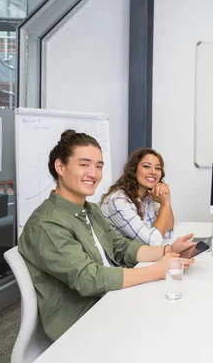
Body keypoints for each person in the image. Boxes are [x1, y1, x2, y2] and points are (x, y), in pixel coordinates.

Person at [18, 130, 196, 341]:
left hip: (111, 299)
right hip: (84, 322)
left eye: (99, 166)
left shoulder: (90, 210)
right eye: (84, 165)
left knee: (185, 312)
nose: (93, 174)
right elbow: (89, 279)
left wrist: (167, 250)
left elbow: (120, 247)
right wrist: (157, 270)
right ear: (60, 167)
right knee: (172, 327)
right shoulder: (46, 224)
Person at [101, 148, 174, 245]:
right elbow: (153, 241)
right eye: (146, 166)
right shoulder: (119, 200)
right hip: (122, 259)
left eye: (157, 168)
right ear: (134, 170)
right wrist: (165, 203)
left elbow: (167, 232)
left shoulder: (150, 195)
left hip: (143, 256)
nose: (153, 172)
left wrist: (165, 202)